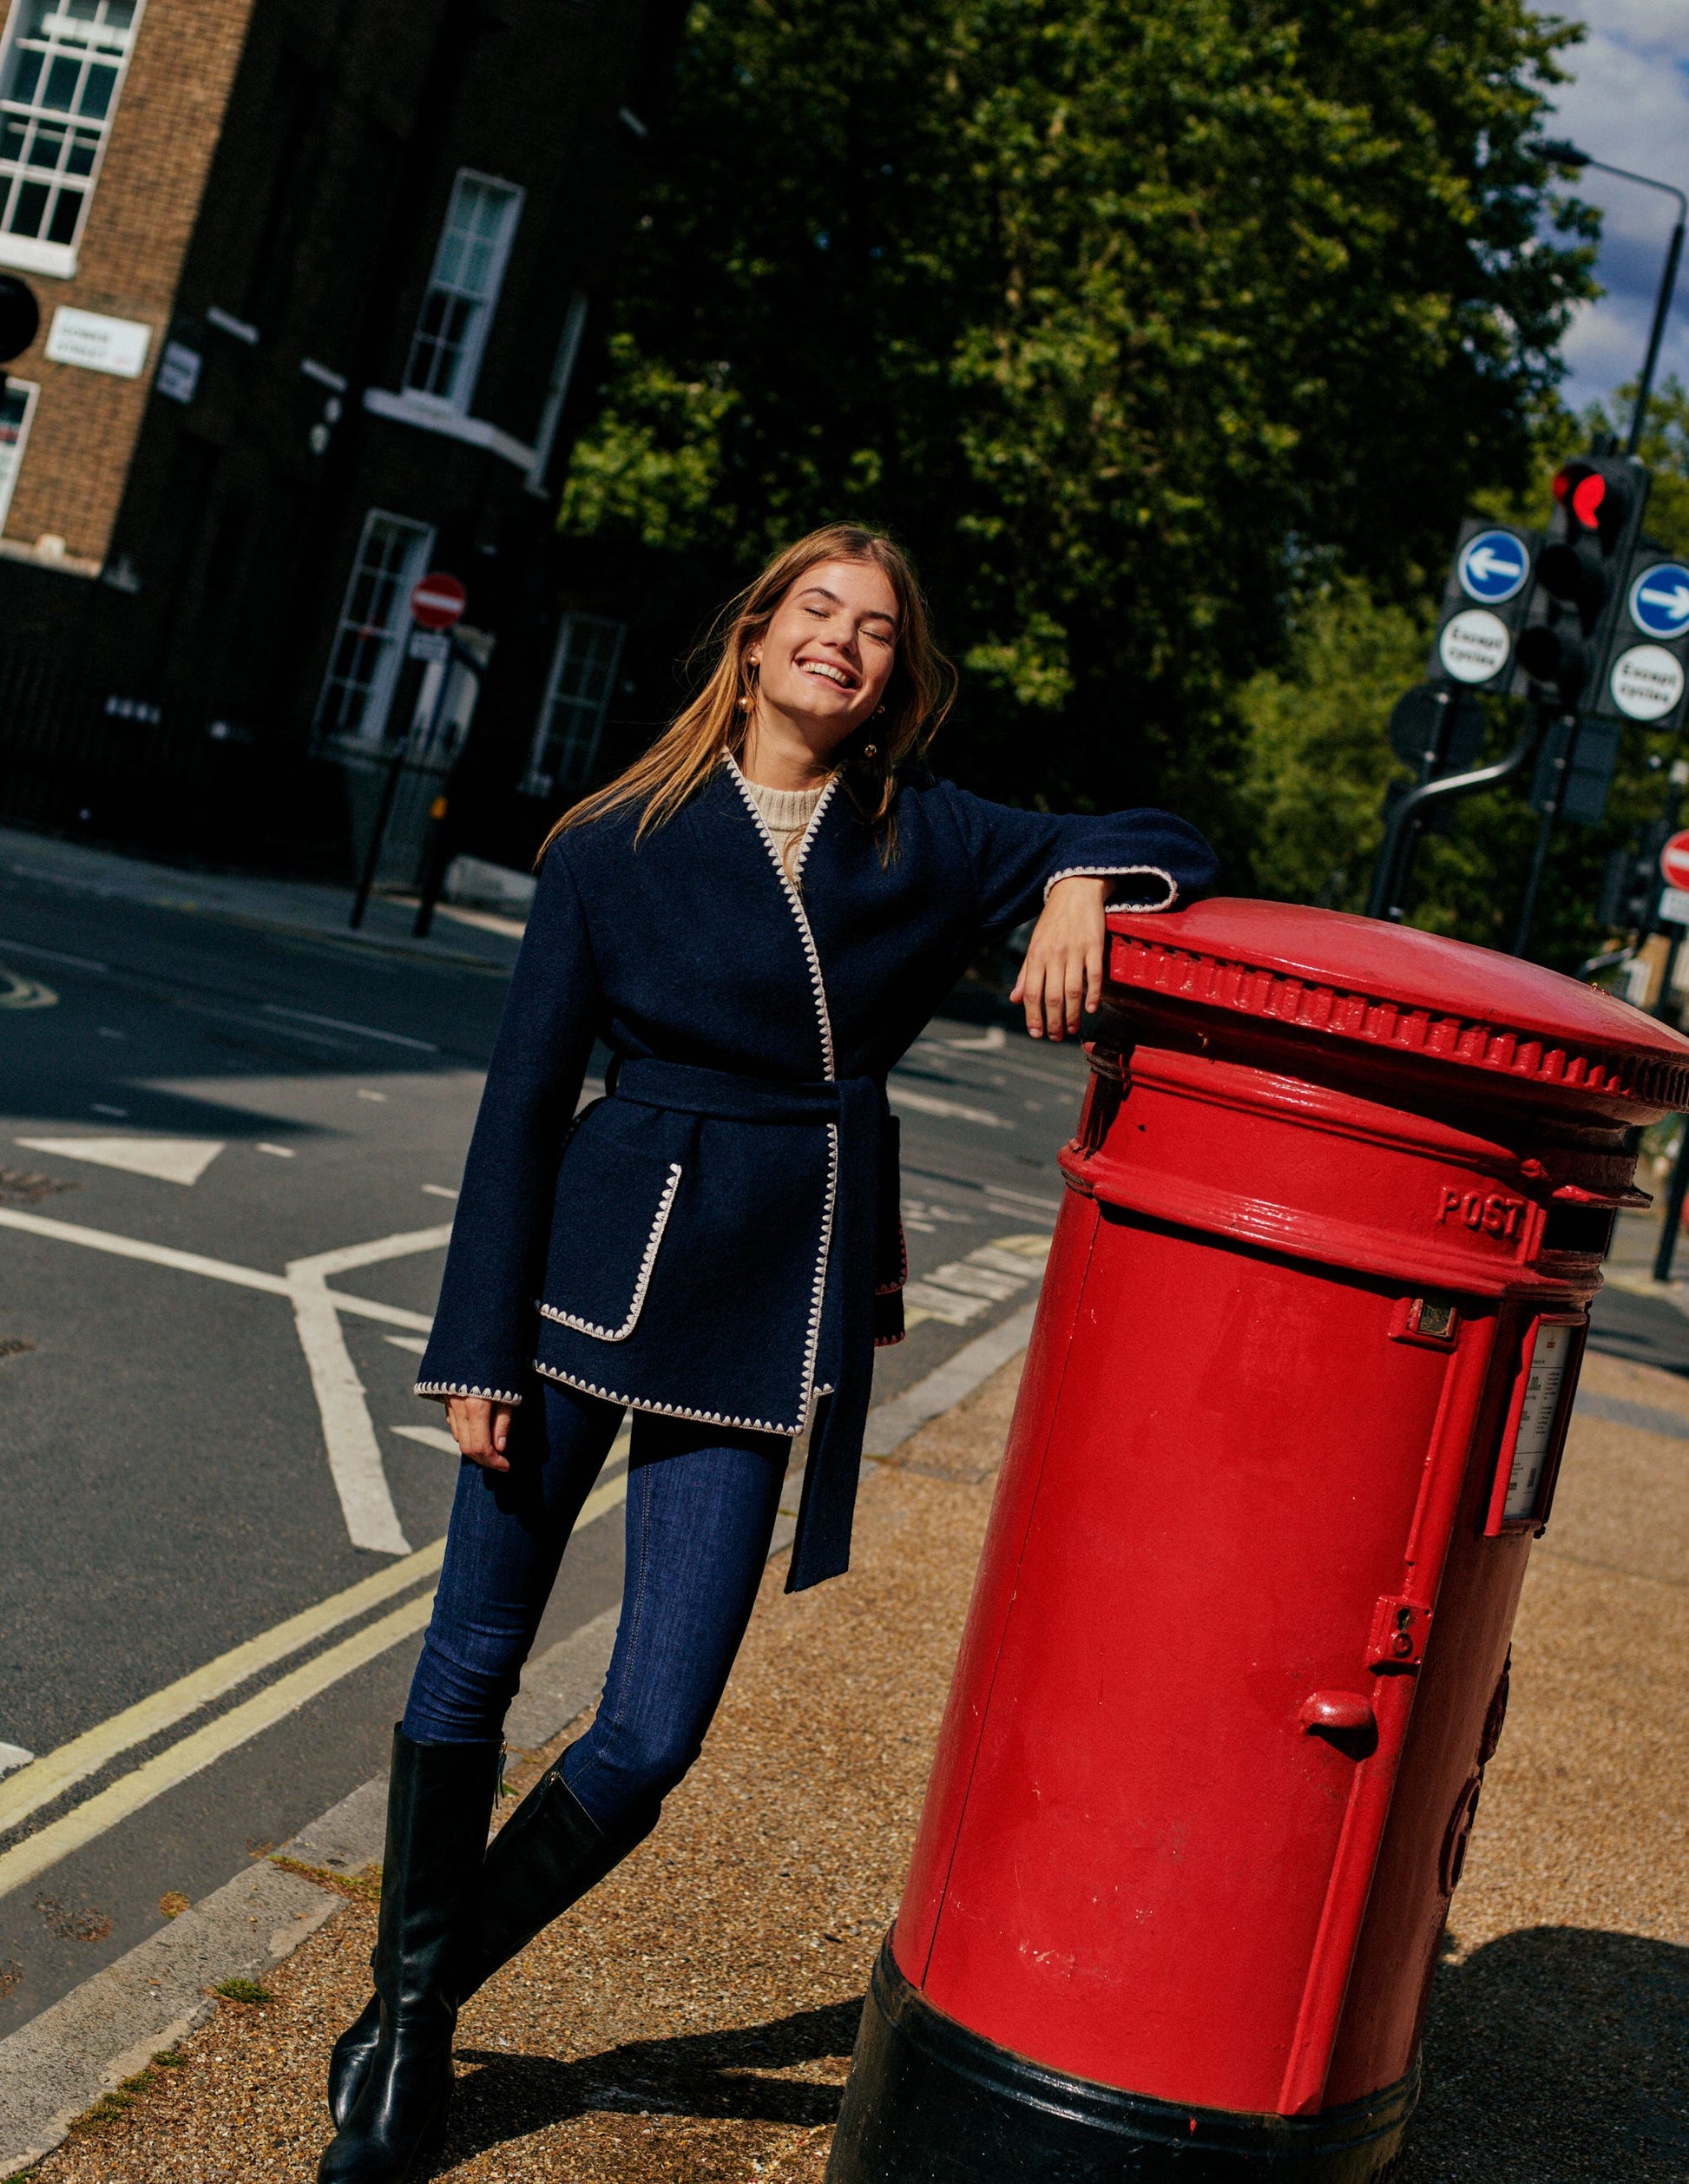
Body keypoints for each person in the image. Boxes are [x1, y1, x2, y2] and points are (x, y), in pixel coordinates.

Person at [316, 523, 1216, 2181]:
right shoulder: (610, 840)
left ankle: (414, 1997)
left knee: (652, 1733)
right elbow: (522, 1103)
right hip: (585, 1277)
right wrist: (473, 1345)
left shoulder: (924, 835)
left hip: (760, 1300)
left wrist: (1077, 885)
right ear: (751, 640)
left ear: (894, 680)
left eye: (876, 630)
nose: (842, 643)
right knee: (472, 1660)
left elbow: (1166, 837)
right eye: (817, 611)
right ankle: (413, 2039)